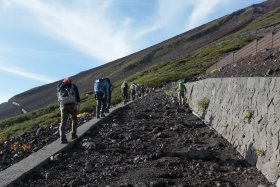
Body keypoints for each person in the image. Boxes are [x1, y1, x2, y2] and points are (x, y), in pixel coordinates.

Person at [57, 77, 80, 144]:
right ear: (70, 81)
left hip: (63, 106)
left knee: (63, 122)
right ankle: (74, 135)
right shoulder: (73, 86)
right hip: (72, 105)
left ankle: (62, 139)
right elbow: (77, 97)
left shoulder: (59, 86)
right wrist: (78, 106)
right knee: (74, 119)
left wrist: (60, 106)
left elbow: (58, 97)